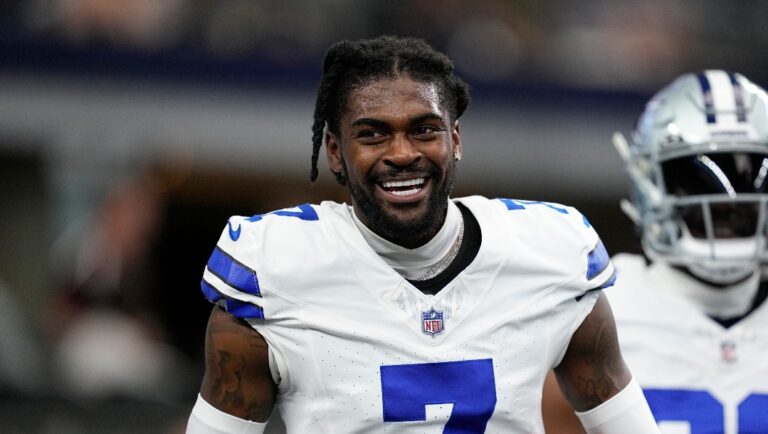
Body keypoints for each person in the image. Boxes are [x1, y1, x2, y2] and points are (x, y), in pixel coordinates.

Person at [186, 35, 660, 434]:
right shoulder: (274, 268)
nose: (402, 153)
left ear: (455, 140)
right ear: (334, 151)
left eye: (424, 130)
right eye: (372, 134)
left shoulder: (551, 254)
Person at [542, 70, 768, 434]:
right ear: (648, 182)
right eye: (696, 177)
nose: (729, 204)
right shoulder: (595, 308)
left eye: (751, 175)